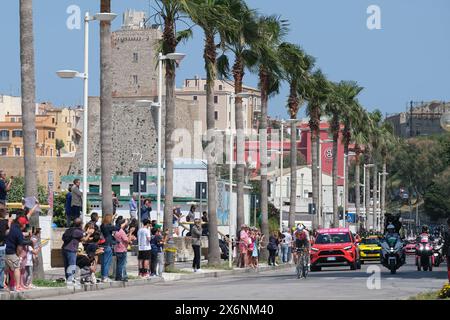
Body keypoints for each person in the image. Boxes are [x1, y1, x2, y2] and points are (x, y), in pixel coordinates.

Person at [61, 218, 94, 285]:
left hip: (64, 249)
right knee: (72, 265)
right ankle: (70, 280)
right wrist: (89, 234)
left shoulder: (70, 229)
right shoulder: (78, 231)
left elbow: (79, 238)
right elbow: (84, 239)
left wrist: (86, 233)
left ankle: (68, 279)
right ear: (81, 224)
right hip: (71, 250)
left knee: (67, 265)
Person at [100, 214, 120, 282]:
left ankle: (103, 276)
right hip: (108, 245)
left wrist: (113, 219)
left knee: (103, 262)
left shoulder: (102, 226)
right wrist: (119, 222)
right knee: (107, 262)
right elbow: (117, 228)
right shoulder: (108, 227)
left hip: (102, 245)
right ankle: (105, 277)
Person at [0, 205, 10, 291]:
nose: (6, 212)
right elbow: (6, 233)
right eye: (5, 211)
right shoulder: (4, 222)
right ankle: (0, 285)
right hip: (1, 247)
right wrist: (9, 224)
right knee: (1, 267)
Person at [443, 217, 450, 282]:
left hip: (449, 252)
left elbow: (446, 243)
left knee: (449, 269)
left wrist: (443, 253)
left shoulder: (447, 232)